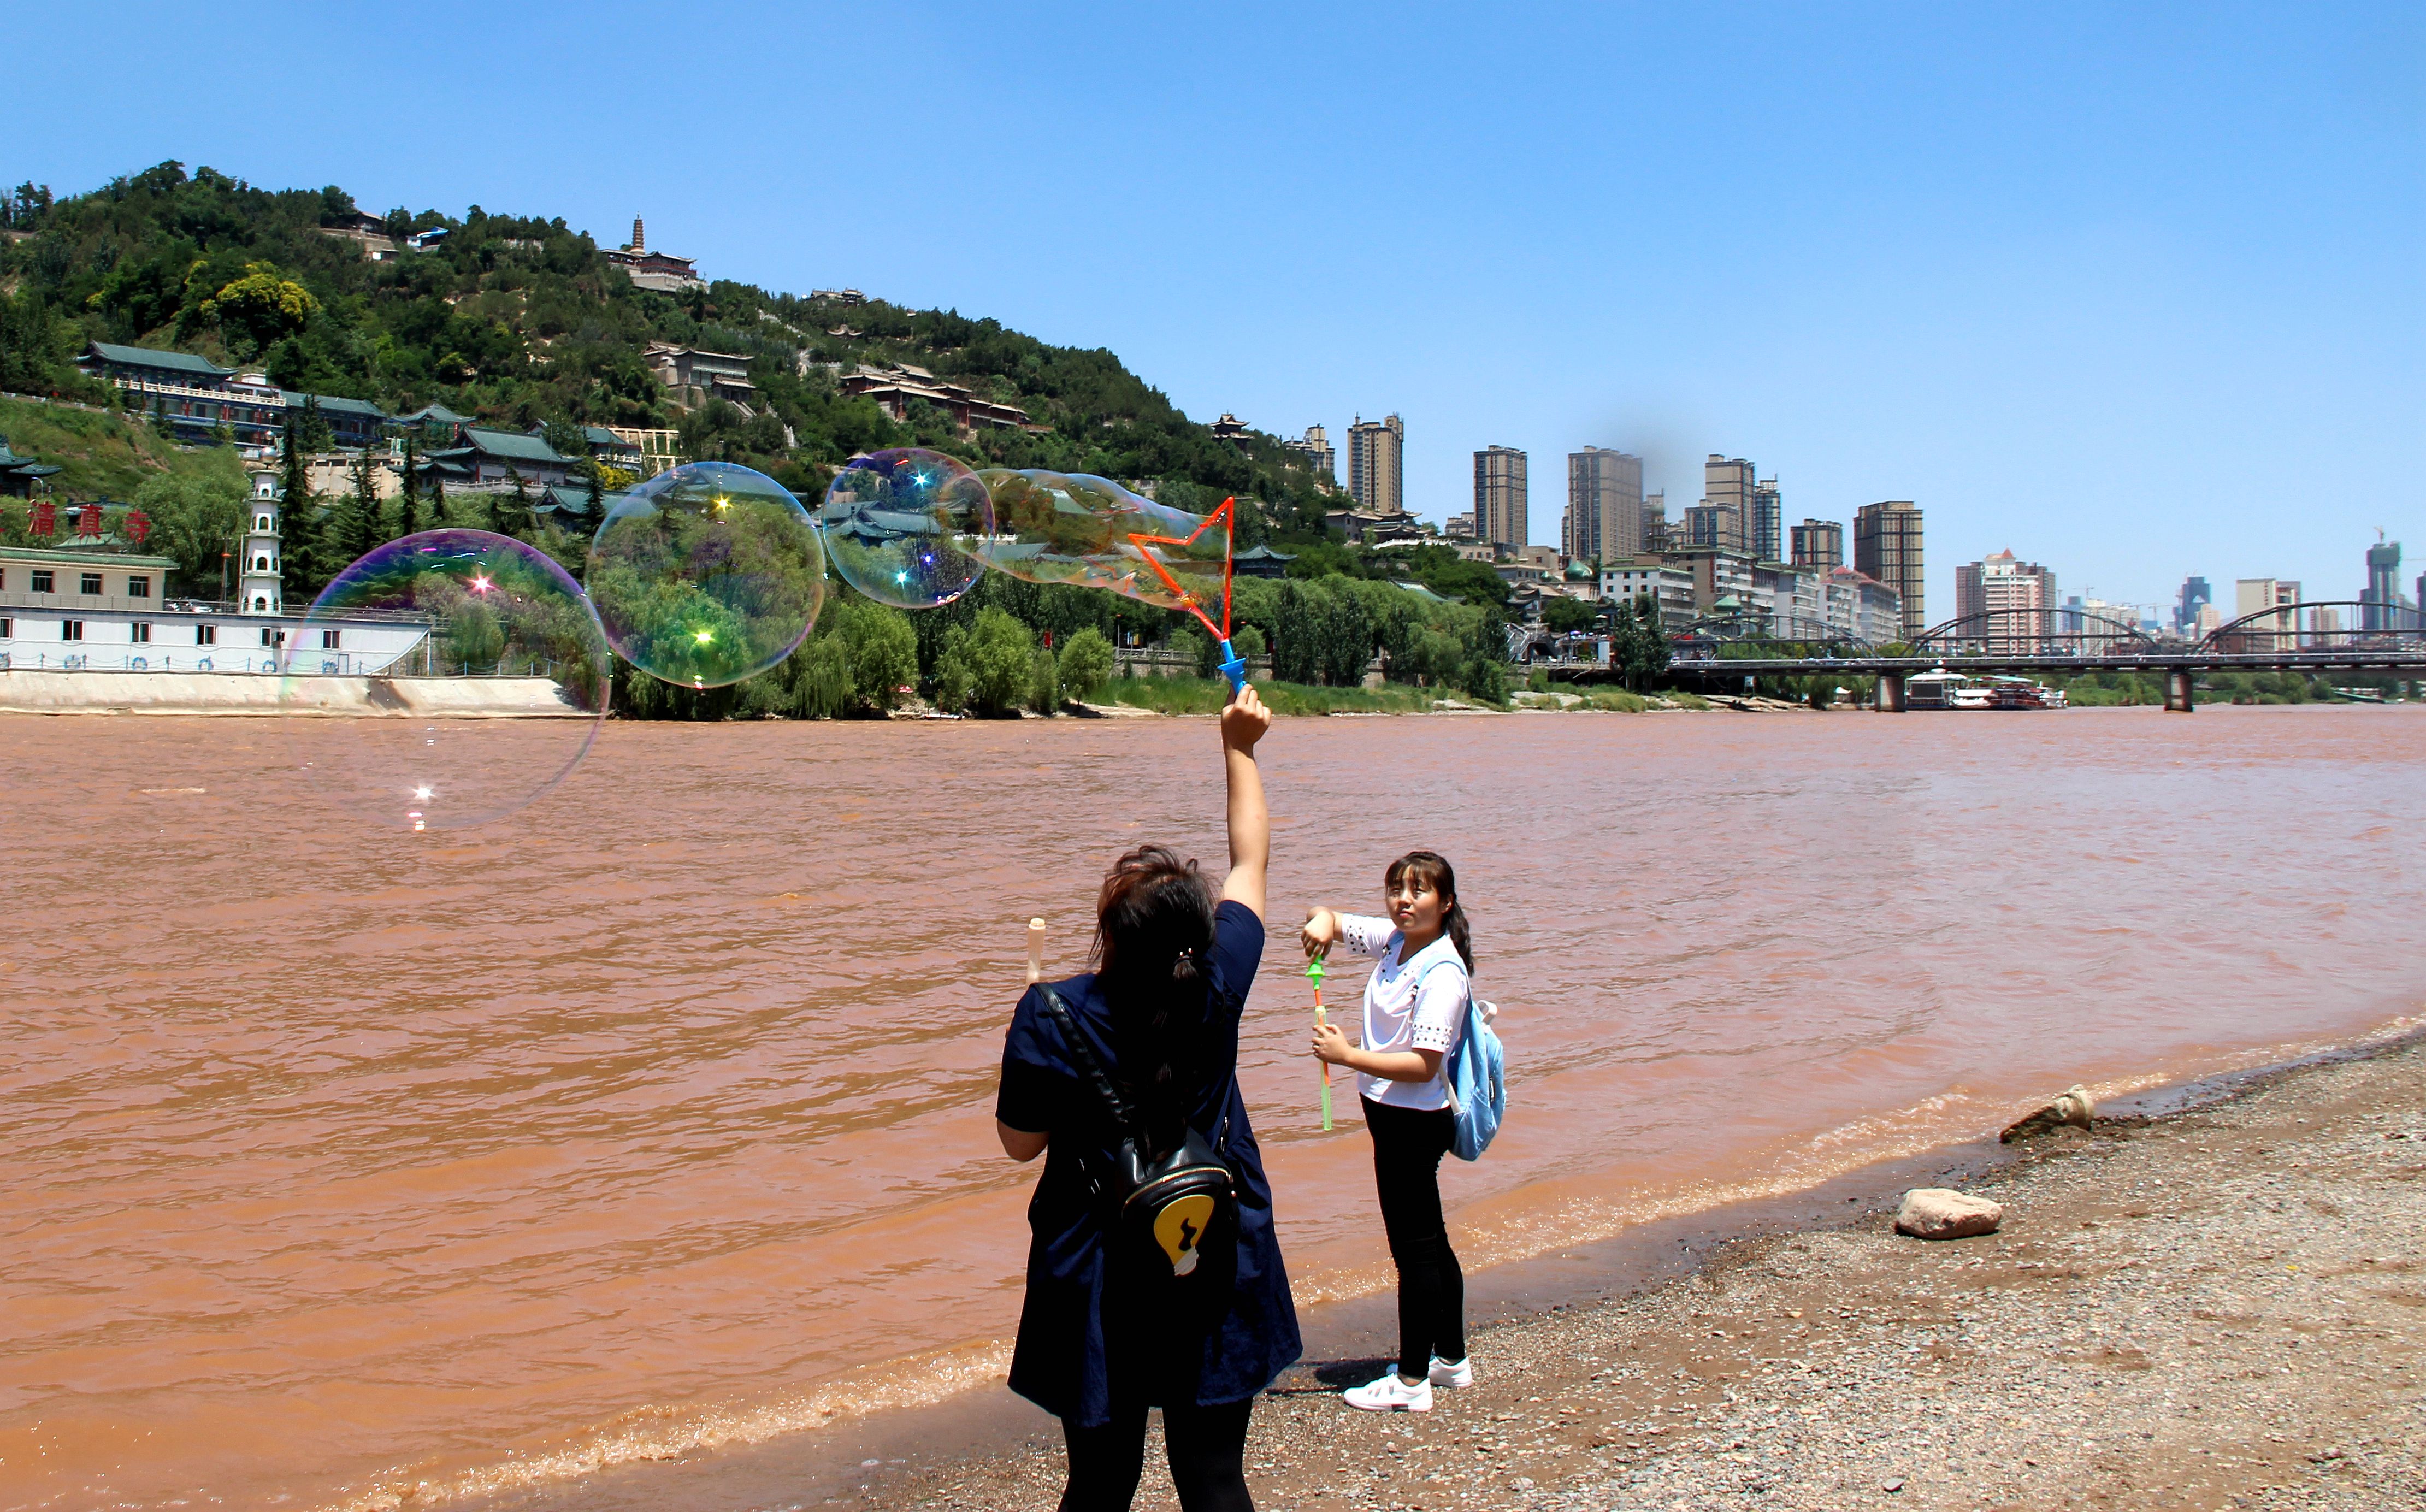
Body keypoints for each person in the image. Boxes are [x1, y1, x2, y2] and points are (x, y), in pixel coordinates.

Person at [995, 685, 1297, 1511]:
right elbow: (1250, 863)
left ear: (1108, 935)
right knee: (1212, 1475)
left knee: (1100, 1480)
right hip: (1210, 1246)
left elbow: (1020, 1145)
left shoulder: (1051, 1010)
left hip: (1099, 1264)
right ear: (1196, 936)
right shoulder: (1221, 980)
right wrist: (1238, 748)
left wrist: (1040, 1030)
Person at [1301, 851, 1474, 1412]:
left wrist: (1348, 1054)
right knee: (1431, 1238)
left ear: (1444, 903)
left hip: (1414, 1120)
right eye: (1396, 889)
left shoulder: (1443, 971)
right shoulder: (1398, 941)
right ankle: (1450, 1358)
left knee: (1414, 1251)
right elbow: (1335, 920)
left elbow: (1424, 1063)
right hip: (1393, 1116)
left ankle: (1410, 1380)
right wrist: (1320, 925)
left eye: (1419, 891)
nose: (1404, 900)